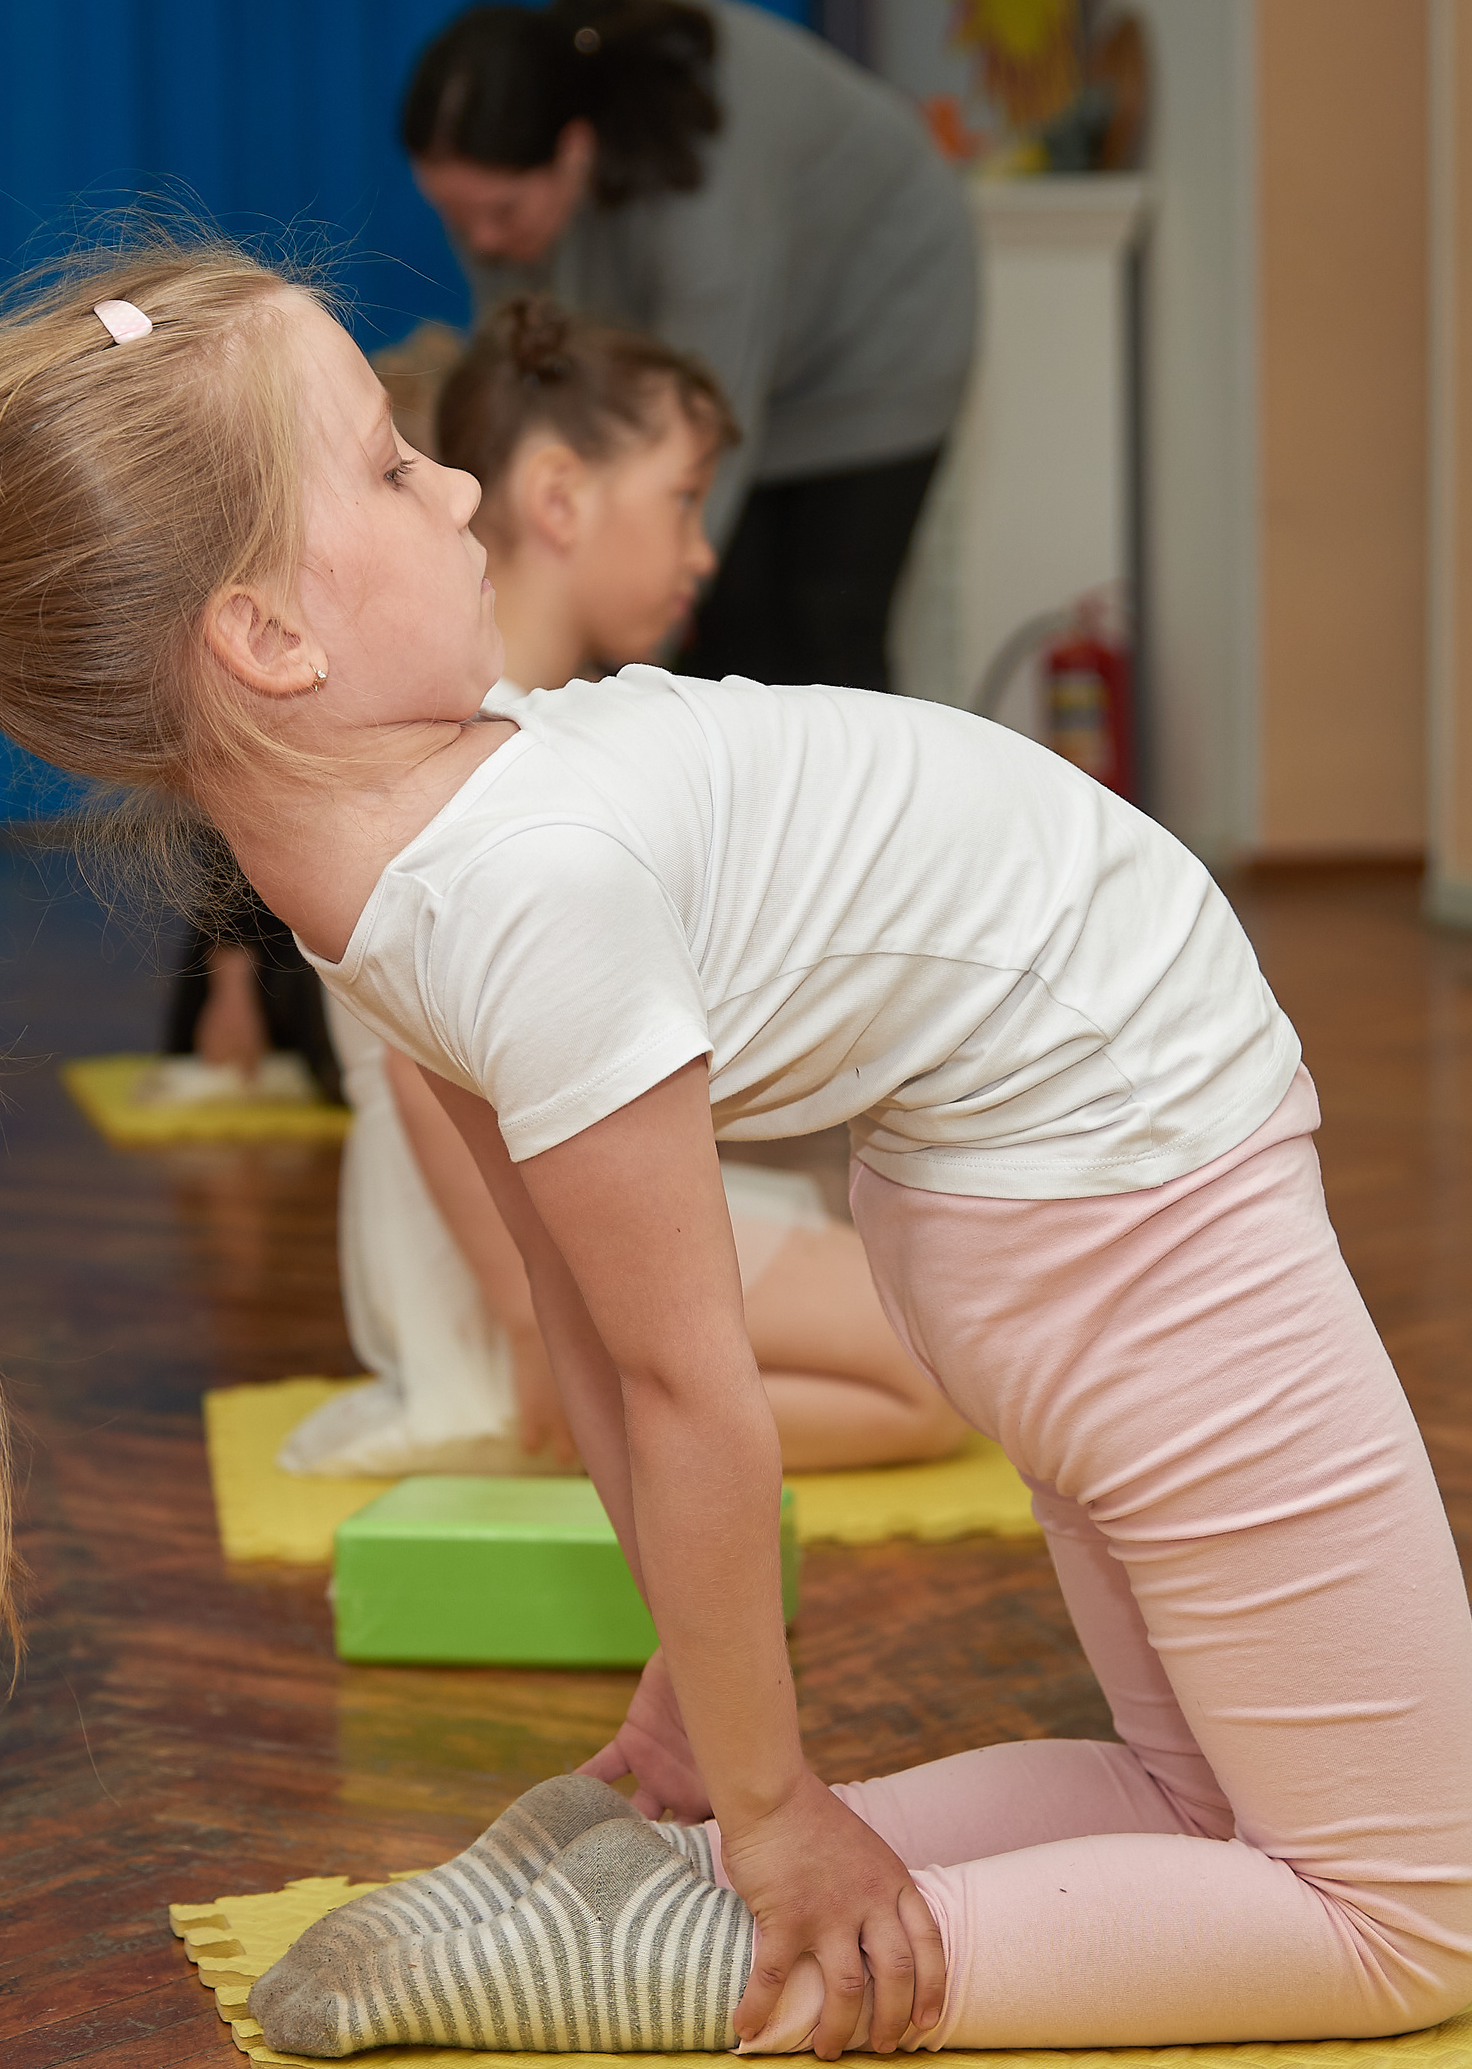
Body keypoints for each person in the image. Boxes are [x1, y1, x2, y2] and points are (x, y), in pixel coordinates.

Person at [0, 241, 1472, 2069]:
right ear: (268, 640)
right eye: (391, 467)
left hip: (1034, 1185)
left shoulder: (382, 874)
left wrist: (714, 1733)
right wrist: (779, 1818)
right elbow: (685, 1387)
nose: (457, 484)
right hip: (1129, 1181)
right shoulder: (526, 883)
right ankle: (730, 1954)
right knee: (1399, 1921)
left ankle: (642, 1869)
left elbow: (589, 1329)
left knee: (1200, 1800)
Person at [290, 294, 967, 1481]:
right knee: (926, 1379)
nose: (704, 550)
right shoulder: (482, 753)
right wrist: (533, 1332)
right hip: (491, 1255)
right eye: (683, 502)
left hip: (532, 1213)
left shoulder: (536, 725)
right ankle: (606, 1417)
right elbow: (420, 1063)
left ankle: (648, 1399)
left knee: (930, 1316)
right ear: (559, 500)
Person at [401, 0, 975, 696]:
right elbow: (514, 389)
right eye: (457, 216)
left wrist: (592, 671)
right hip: (725, 338)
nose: (480, 240)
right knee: (728, 635)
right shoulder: (499, 197)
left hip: (880, 332)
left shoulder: (703, 197)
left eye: (502, 212)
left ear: (574, 149)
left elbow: (696, 437)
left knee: (822, 631)